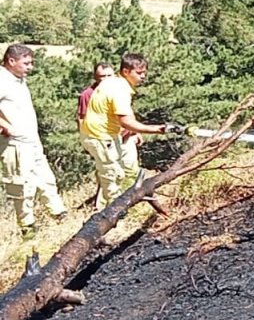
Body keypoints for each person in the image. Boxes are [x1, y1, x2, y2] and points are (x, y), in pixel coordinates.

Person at [80, 52, 188, 210]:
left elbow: (125, 114)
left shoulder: (115, 82)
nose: (143, 76)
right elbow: (127, 122)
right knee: (113, 176)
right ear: (125, 71)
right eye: (139, 73)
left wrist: (139, 131)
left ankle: (129, 205)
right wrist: (160, 129)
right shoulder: (119, 90)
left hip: (109, 135)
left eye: (144, 72)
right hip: (99, 137)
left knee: (126, 171)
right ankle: (110, 215)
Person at [0, 44, 67, 238]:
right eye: (26, 63)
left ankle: (59, 215)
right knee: (22, 187)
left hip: (31, 141)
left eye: (31, 63)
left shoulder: (18, 79)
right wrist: (5, 126)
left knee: (46, 179)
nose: (30, 67)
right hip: (15, 144)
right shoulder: (3, 79)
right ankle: (28, 230)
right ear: (11, 61)